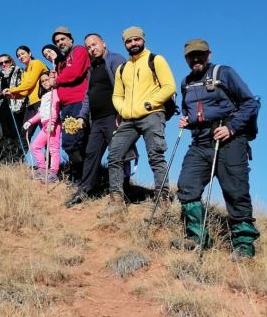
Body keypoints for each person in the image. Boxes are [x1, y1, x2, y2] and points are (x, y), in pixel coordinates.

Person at [173, 39, 261, 259]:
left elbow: (250, 103)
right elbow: (192, 111)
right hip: (200, 143)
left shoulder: (224, 73)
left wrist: (231, 128)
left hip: (229, 141)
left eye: (200, 54)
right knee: (186, 187)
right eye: (191, 56)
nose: (195, 59)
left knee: (235, 191)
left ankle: (243, 245)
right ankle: (197, 237)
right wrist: (188, 121)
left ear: (208, 54)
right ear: (185, 58)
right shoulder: (185, 83)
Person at [103, 27, 176, 215]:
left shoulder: (156, 60)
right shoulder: (122, 68)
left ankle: (163, 201)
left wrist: (149, 104)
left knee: (156, 156)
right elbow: (117, 95)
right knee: (114, 155)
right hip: (129, 119)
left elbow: (169, 87)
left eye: (136, 40)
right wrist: (123, 109)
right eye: (129, 41)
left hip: (152, 115)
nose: (133, 43)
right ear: (125, 44)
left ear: (143, 40)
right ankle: (116, 201)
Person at [66, 34, 127, 207]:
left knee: (119, 154)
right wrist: (82, 116)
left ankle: (123, 189)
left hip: (113, 116)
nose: (92, 49)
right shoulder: (91, 69)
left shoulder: (116, 60)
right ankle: (85, 190)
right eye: (89, 47)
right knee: (91, 154)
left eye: (95, 44)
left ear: (104, 43)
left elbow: (126, 85)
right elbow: (88, 95)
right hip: (97, 120)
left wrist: (122, 112)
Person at [51, 27, 91, 181]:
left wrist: (57, 80)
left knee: (72, 141)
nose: (60, 43)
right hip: (66, 106)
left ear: (71, 39)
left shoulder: (79, 50)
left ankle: (83, 177)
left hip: (78, 103)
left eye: (62, 39)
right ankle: (83, 176)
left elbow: (75, 72)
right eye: (57, 41)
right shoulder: (61, 62)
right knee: (75, 142)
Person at [3, 46, 48, 143]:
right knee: (25, 132)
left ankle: (49, 158)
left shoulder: (37, 63)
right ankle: (19, 158)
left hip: (43, 101)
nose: (21, 57)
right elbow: (25, 91)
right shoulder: (24, 71)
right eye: (18, 56)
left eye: (23, 53)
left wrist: (11, 90)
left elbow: (30, 83)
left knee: (45, 131)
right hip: (31, 104)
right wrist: (13, 96)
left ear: (30, 53)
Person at [22, 71, 61, 182]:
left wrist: (52, 123)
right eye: (42, 81)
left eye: (47, 79)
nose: (44, 82)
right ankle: (42, 169)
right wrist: (30, 121)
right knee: (35, 146)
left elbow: (55, 109)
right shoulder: (44, 96)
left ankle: (54, 173)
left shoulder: (55, 92)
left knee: (53, 149)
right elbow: (41, 113)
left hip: (53, 124)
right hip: (45, 125)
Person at [0, 54, 26, 163]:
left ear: (11, 61)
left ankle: (18, 159)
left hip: (17, 106)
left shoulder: (20, 71)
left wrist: (12, 91)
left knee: (17, 133)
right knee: (6, 135)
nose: (4, 64)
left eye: (6, 61)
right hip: (3, 107)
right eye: (1, 63)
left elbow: (24, 86)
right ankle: (8, 160)